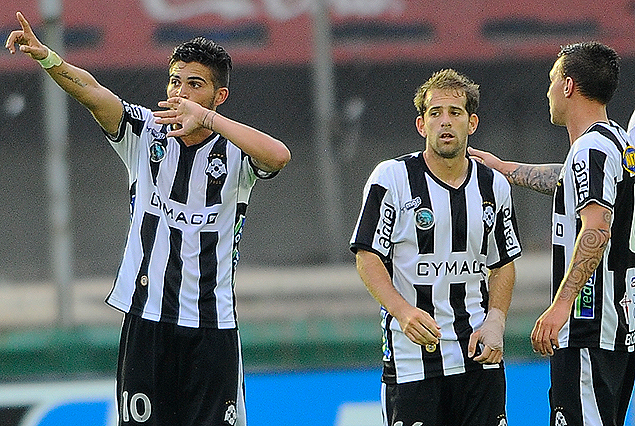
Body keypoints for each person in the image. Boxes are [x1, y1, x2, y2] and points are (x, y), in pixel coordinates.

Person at [5, 11, 290, 426]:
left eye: (196, 84)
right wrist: (48, 58)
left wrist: (207, 121)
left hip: (211, 326)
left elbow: (279, 155)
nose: (181, 92)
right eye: (176, 81)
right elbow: (92, 92)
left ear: (219, 95)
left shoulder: (236, 149)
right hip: (147, 321)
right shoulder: (146, 131)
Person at [469, 41, 635, 426]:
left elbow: (597, 228)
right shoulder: (617, 143)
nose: (548, 90)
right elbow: (566, 180)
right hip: (618, 330)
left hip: (588, 328)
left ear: (567, 86)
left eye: (551, 79)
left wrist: (562, 307)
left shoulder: (590, 149)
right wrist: (504, 168)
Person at [350, 68, 521, 426]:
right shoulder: (392, 179)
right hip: (413, 361)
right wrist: (403, 311)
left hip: (479, 355)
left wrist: (496, 321)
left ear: (471, 123)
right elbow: (368, 256)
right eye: (435, 113)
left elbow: (503, 263)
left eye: (455, 113)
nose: (445, 122)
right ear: (421, 125)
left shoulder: (494, 185)